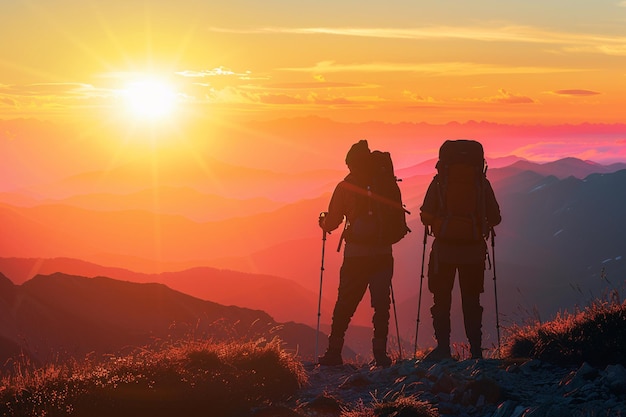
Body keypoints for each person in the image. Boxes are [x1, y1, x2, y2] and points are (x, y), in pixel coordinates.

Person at [419, 141, 501, 360]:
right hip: (473, 252)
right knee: (472, 301)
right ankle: (475, 350)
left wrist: (441, 221)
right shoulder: (481, 184)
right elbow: (495, 218)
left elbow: (425, 214)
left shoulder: (439, 183)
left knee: (441, 300)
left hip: (443, 252)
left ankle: (443, 348)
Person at [317, 140, 395, 367]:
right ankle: (380, 354)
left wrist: (322, 222)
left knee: (345, 304)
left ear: (351, 164)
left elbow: (332, 222)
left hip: (356, 255)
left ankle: (334, 352)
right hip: (383, 253)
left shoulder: (345, 186)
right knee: (381, 305)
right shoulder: (384, 183)